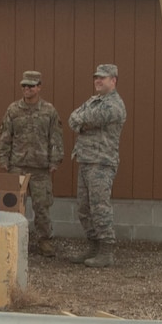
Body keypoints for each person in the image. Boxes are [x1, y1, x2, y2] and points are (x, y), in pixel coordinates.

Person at [0, 71, 64, 255]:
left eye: (31, 86)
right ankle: (14, 242)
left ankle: (45, 241)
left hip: (41, 168)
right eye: (24, 86)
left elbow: (55, 138)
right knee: (15, 207)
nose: (27, 89)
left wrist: (54, 161)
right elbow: (5, 136)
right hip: (17, 167)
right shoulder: (13, 110)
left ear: (39, 87)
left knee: (42, 207)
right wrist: (3, 159)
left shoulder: (49, 111)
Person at [67, 64, 126, 267]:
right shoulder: (94, 101)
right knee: (84, 208)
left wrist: (82, 121)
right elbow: (73, 118)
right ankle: (93, 247)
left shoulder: (114, 105)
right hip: (85, 160)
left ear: (113, 81)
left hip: (101, 162)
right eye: (96, 77)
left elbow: (87, 118)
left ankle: (106, 251)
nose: (98, 81)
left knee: (100, 207)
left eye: (103, 77)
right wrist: (82, 121)